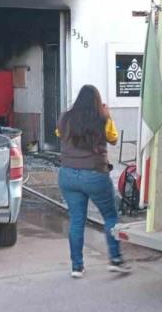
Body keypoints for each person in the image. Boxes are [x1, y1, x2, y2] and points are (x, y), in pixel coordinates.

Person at [55, 85, 132, 278]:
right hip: (94, 174)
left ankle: (77, 267)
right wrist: (108, 116)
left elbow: (58, 134)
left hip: (68, 175)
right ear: (98, 101)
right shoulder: (102, 118)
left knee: (77, 220)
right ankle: (115, 259)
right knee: (110, 216)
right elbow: (113, 139)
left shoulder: (65, 118)